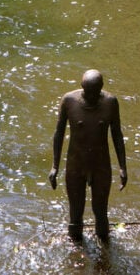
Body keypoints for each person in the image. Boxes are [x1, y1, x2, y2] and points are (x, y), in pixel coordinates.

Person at [49, 69, 128, 242]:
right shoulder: (69, 101)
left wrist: (123, 167)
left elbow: (117, 135)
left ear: (101, 89)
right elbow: (59, 133)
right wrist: (55, 166)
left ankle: (105, 254)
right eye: (88, 93)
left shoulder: (110, 102)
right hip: (76, 166)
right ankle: (75, 256)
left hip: (101, 166)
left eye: (95, 94)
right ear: (82, 88)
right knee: (75, 214)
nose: (91, 98)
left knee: (101, 212)